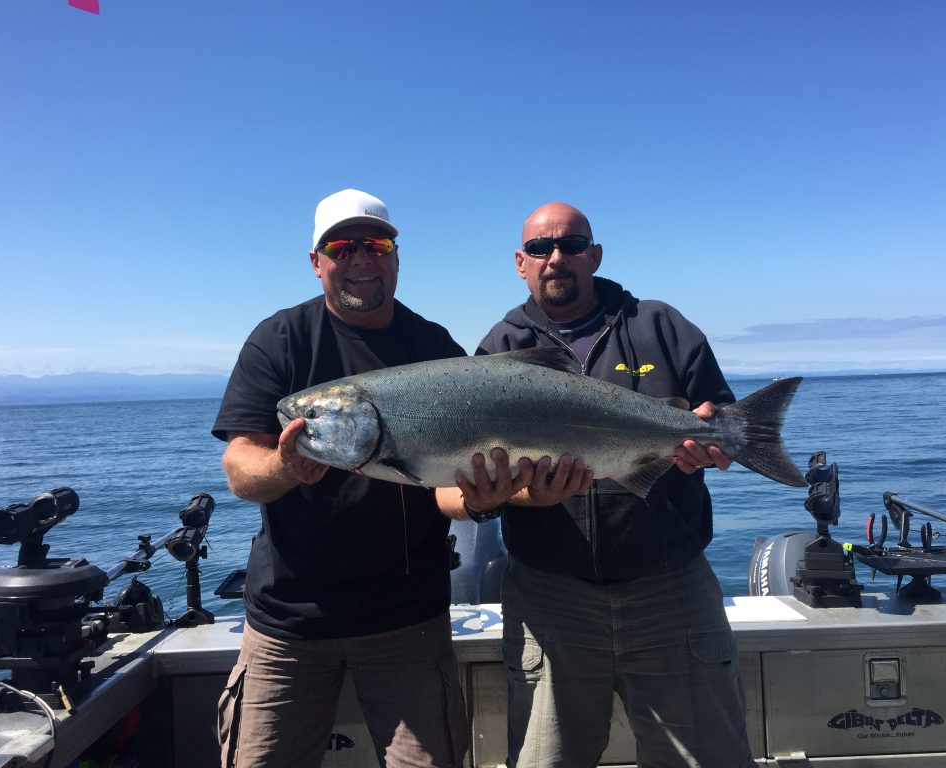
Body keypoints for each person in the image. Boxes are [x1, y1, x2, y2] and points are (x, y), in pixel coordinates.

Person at [438, 202, 755, 768]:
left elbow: (726, 433)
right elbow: (465, 480)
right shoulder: (499, 349)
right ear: (520, 262)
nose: (555, 258)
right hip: (551, 598)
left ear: (595, 254)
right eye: (540, 249)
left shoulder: (660, 326)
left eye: (571, 244)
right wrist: (515, 497)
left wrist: (710, 448)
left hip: (671, 589)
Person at [212, 188, 470, 768]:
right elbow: (240, 469)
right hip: (290, 620)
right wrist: (284, 467)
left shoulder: (432, 347)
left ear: (395, 256)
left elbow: (451, 484)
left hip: (409, 618)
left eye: (375, 244)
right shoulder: (280, 340)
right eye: (342, 246)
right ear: (316, 260)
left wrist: (489, 497)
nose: (360, 259)